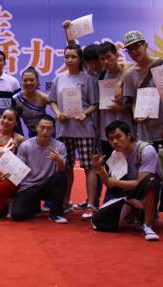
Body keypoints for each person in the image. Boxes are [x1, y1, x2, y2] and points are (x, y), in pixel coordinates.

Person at [121, 30, 163, 225]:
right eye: (130, 49)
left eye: (137, 46)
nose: (134, 51)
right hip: (144, 133)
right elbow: (132, 100)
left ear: (145, 45)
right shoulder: (130, 74)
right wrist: (136, 114)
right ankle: (151, 210)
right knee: (148, 174)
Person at [48, 45, 99, 219]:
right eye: (67, 57)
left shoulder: (88, 79)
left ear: (80, 59)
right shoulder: (59, 78)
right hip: (64, 129)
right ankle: (66, 202)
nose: (70, 60)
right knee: (66, 167)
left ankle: (91, 204)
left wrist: (85, 113)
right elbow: (52, 100)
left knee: (89, 167)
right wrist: (57, 113)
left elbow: (95, 103)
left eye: (74, 57)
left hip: (84, 130)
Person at [92, 121, 163, 241]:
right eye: (111, 139)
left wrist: (116, 182)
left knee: (150, 181)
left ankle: (148, 225)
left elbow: (140, 183)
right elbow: (110, 184)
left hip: (155, 193)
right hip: (131, 194)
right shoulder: (116, 154)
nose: (115, 142)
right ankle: (136, 213)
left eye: (118, 137)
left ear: (129, 136)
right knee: (98, 221)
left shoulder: (146, 150)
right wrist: (100, 170)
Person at [11, 115, 69, 223]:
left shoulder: (59, 146)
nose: (45, 131)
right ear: (36, 127)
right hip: (29, 186)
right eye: (42, 127)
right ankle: (34, 206)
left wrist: (60, 161)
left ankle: (56, 214)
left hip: (47, 185)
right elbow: (18, 171)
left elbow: (61, 171)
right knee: (17, 215)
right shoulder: (25, 146)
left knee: (61, 178)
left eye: (49, 128)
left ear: (53, 129)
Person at [96, 42, 135, 159]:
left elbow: (135, 102)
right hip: (107, 133)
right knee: (111, 166)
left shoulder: (129, 73)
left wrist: (121, 107)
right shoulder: (101, 76)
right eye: (102, 59)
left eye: (109, 57)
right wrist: (99, 130)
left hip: (126, 130)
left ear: (117, 55)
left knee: (130, 165)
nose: (106, 61)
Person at [13, 67, 48, 137]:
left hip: (46, 133)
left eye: (32, 80)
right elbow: (14, 120)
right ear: (21, 82)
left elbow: (56, 105)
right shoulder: (16, 98)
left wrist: (57, 115)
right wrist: (20, 136)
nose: (28, 83)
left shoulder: (44, 97)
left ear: (37, 81)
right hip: (31, 134)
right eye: (25, 80)